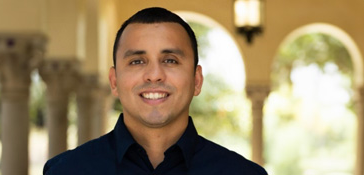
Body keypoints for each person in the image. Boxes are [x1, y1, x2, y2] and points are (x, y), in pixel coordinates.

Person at [43, 7, 268, 175]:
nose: (154, 74)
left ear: (196, 80)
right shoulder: (66, 171)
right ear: (114, 81)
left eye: (170, 60)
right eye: (137, 61)